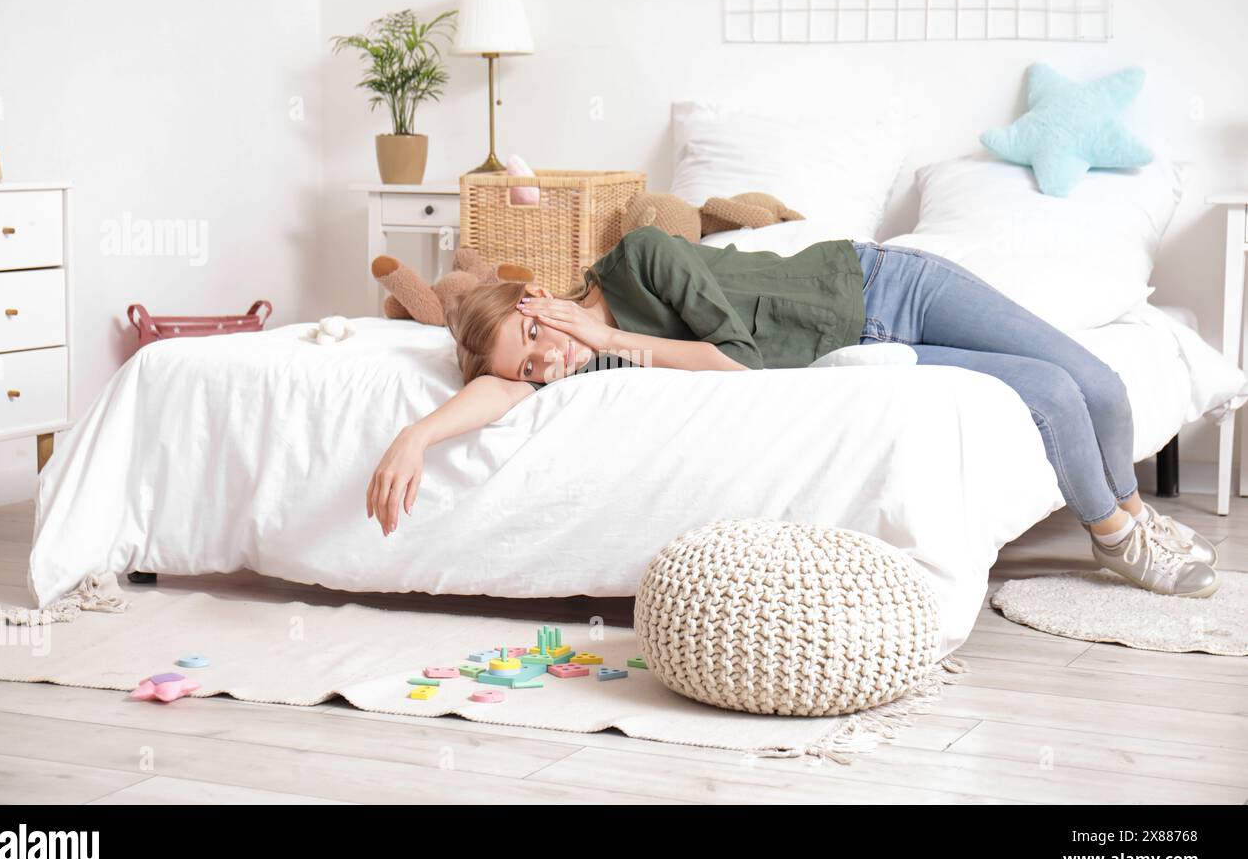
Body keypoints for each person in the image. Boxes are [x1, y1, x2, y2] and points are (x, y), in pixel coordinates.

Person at [365, 225, 1219, 598]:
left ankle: (1131, 519)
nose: (549, 365)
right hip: (873, 345)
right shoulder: (586, 362)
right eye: (535, 370)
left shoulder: (642, 260)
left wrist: (600, 333)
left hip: (889, 286)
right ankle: (1120, 540)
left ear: (542, 298)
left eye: (536, 337)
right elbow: (499, 387)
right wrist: (417, 433)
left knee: (1099, 383)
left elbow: (737, 357)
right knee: (1052, 395)